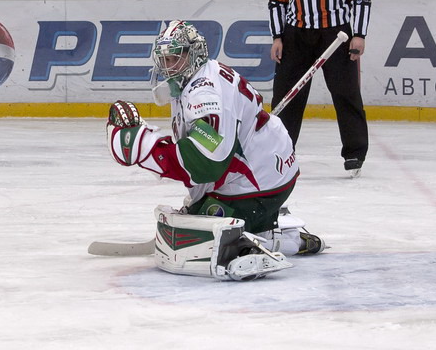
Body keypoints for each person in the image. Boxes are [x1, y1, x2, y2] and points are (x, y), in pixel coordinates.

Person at [106, 20, 324, 280]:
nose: (168, 66)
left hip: (259, 184)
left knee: (209, 226)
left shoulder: (204, 94)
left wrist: (144, 148)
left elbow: (207, 162)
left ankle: (256, 238)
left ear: (194, 53)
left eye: (175, 57)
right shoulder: (197, 77)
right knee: (202, 210)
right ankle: (286, 237)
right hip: (267, 170)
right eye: (164, 59)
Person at [268, 0, 370, 178]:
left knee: (345, 92)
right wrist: (278, 36)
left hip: (335, 35)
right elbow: (277, 1)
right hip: (296, 35)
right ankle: (280, 151)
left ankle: (355, 153)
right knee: (286, 96)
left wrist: (358, 34)